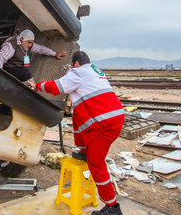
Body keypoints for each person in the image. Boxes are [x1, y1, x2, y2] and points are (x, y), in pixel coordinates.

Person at [30, 51, 125, 215]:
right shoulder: (95, 71)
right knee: (79, 117)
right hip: (113, 118)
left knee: (96, 164)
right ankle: (83, 151)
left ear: (75, 63)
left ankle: (113, 208)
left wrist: (37, 85)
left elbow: (56, 87)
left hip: (105, 123)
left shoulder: (78, 72)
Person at [0, 29, 67, 82]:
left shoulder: (28, 44)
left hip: (19, 69)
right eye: (29, 42)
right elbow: (0, 59)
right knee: (25, 73)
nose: (30, 45)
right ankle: (31, 89)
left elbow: (41, 49)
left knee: (25, 72)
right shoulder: (10, 45)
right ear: (22, 39)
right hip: (8, 69)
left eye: (32, 42)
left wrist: (55, 53)